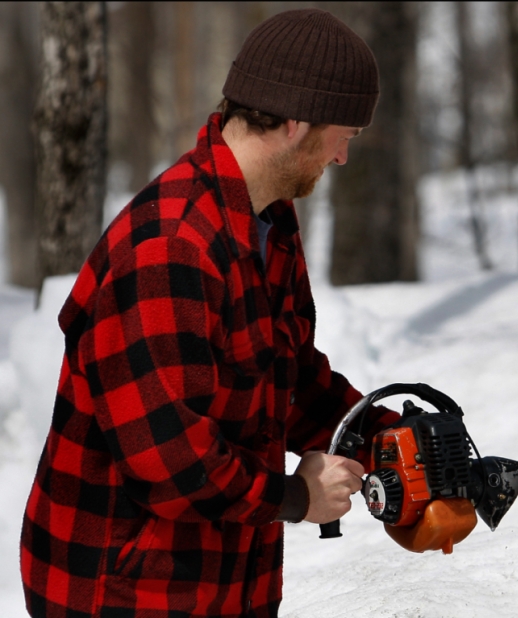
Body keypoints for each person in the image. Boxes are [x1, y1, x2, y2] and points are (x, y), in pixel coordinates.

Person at [20, 9, 399, 618]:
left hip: (219, 581)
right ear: (298, 121)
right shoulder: (170, 248)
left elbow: (288, 375)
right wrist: (297, 497)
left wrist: (382, 434)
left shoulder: (266, 220)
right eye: (343, 136)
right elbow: (168, 458)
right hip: (123, 591)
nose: (341, 159)